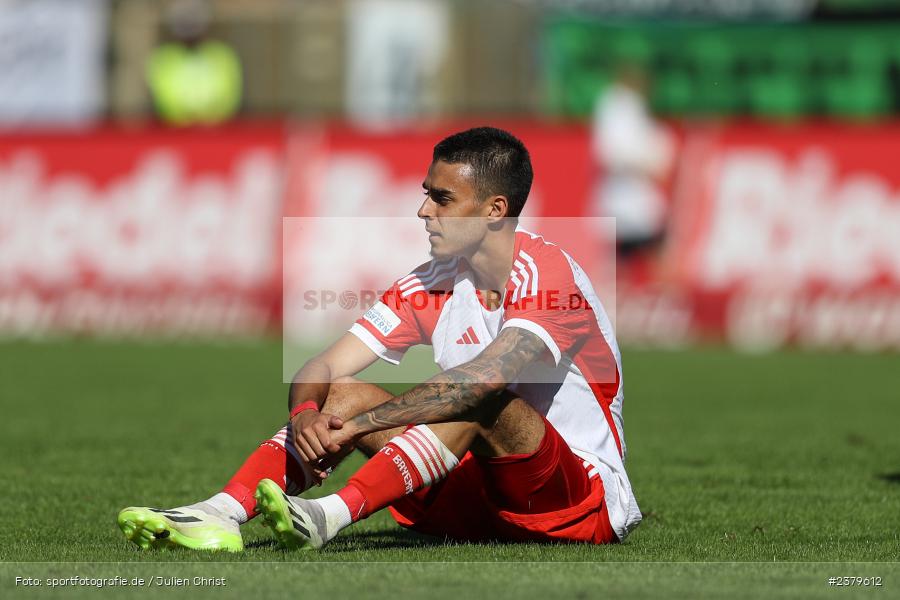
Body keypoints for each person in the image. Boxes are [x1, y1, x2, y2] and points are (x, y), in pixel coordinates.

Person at [117, 127, 641, 551]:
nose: (424, 211)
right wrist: (308, 420)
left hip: (575, 504)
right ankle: (217, 514)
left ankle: (326, 517)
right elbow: (320, 366)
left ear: (495, 210)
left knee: (475, 395)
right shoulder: (430, 281)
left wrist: (358, 429)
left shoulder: (550, 276)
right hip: (475, 493)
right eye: (425, 195)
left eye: (442, 198)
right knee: (340, 394)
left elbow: (479, 385)